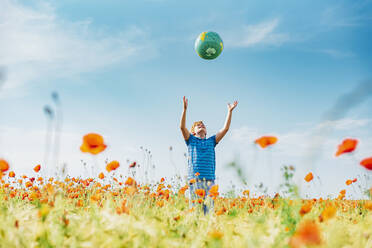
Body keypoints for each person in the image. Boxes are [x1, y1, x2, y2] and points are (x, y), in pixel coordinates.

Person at [180, 96, 238, 214]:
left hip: (210, 181)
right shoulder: (190, 140)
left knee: (208, 212)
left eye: (203, 125)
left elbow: (225, 129)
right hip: (195, 181)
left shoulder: (211, 141)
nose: (201, 126)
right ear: (193, 131)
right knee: (196, 211)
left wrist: (229, 111)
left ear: (206, 131)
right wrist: (184, 110)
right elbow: (182, 127)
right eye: (198, 125)